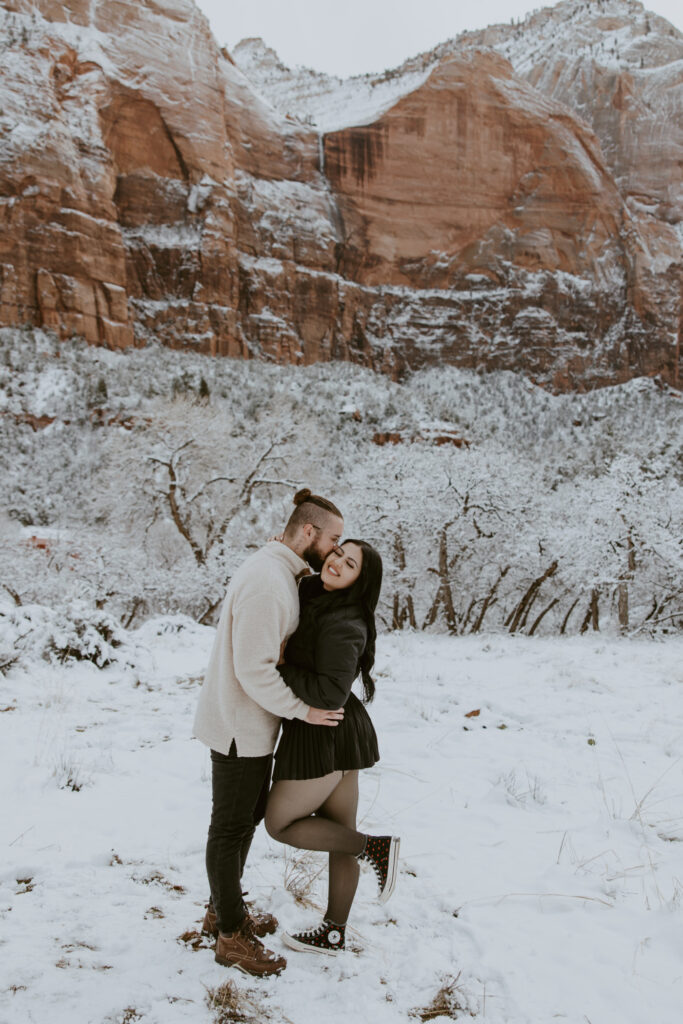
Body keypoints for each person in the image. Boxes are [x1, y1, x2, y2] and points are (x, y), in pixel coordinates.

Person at [193, 488, 347, 977]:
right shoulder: (268, 581)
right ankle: (230, 936)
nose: (338, 549)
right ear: (308, 532)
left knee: (245, 819)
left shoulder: (280, 571)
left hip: (251, 724)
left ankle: (224, 910)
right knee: (231, 827)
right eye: (334, 539)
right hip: (241, 725)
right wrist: (303, 709)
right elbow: (254, 670)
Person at [264, 539, 400, 956]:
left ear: (362, 580)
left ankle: (374, 848)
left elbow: (329, 693)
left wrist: (283, 668)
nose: (338, 563)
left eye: (351, 563)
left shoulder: (346, 621)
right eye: (339, 552)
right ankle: (334, 933)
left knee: (279, 824)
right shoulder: (316, 592)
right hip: (338, 729)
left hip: (326, 728)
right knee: (340, 833)